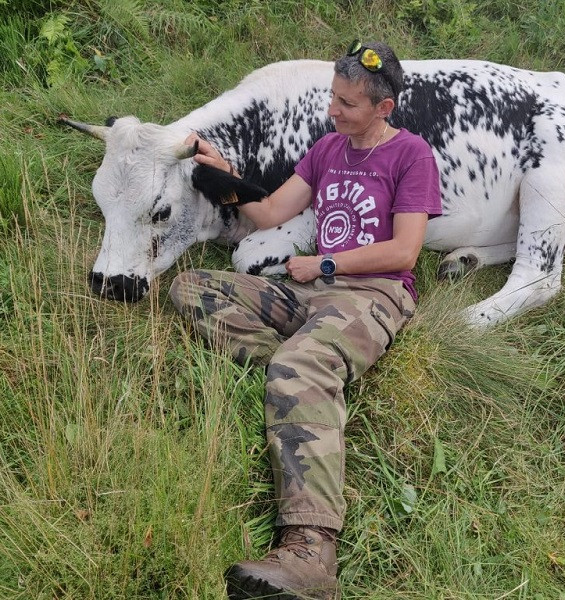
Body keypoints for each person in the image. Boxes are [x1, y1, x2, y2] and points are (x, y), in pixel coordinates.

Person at [170, 40, 442, 600]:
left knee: (298, 364)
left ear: (383, 108)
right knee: (192, 287)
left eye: (347, 104)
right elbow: (270, 211)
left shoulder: (412, 155)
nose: (332, 111)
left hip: (373, 295)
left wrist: (325, 261)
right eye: (332, 98)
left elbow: (406, 252)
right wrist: (226, 175)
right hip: (312, 292)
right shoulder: (327, 149)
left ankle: (312, 552)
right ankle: (301, 379)